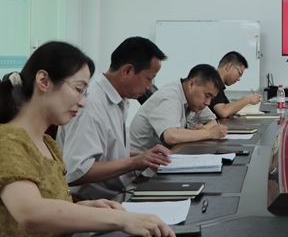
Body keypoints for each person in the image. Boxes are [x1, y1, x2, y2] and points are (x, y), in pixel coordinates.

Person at [0, 41, 173, 236]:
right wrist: (122, 220)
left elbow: (51, 199)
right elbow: (31, 213)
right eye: (78, 89)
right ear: (44, 81)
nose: (83, 102)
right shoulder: (7, 141)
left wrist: (84, 206)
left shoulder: (47, 144)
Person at [56, 37, 171, 200]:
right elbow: (76, 171)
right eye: (149, 78)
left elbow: (106, 152)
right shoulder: (91, 105)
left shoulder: (118, 99)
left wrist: (144, 156)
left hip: (119, 193)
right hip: (91, 203)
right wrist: (133, 162)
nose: (149, 86)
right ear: (127, 71)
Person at [129, 64, 228, 152]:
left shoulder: (194, 100)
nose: (208, 102)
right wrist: (208, 133)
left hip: (162, 157)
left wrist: (203, 130)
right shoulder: (170, 96)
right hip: (139, 163)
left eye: (211, 98)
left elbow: (213, 121)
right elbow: (171, 136)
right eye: (207, 95)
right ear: (191, 84)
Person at [209, 51, 261, 118]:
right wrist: (247, 99)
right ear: (229, 67)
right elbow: (224, 112)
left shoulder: (219, 86)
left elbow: (228, 109)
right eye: (239, 73)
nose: (239, 79)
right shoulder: (212, 83)